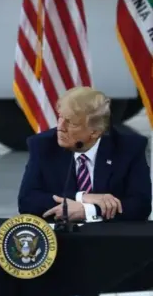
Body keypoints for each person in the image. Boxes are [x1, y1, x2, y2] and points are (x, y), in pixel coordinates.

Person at [18, 86, 152, 222]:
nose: (60, 127)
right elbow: (27, 201)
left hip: (109, 237)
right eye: (60, 118)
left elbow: (140, 205)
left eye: (71, 123)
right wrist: (81, 197)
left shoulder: (128, 147)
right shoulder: (43, 145)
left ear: (95, 131)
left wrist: (89, 210)